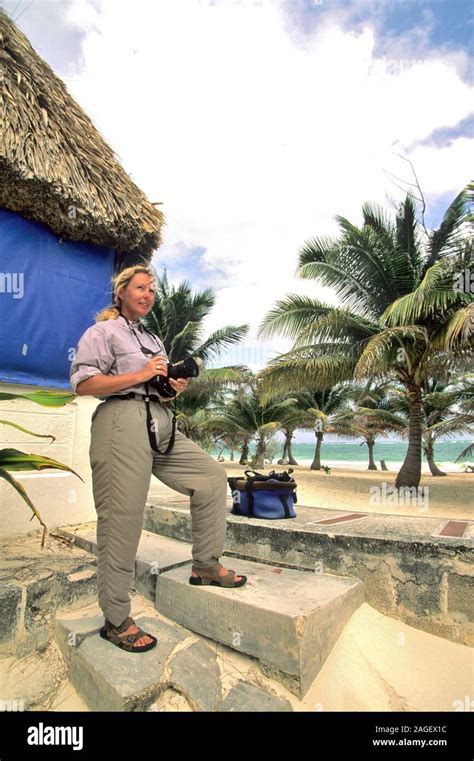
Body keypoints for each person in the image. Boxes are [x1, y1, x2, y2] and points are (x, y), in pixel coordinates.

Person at [70, 265, 247, 653]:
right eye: (140, 287)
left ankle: (204, 565)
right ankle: (116, 619)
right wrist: (140, 374)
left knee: (212, 478)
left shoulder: (152, 337)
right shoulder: (102, 332)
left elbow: (157, 387)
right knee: (123, 518)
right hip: (122, 422)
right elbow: (84, 383)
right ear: (121, 292)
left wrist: (171, 387)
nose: (148, 294)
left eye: (151, 289)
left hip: (161, 422)